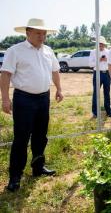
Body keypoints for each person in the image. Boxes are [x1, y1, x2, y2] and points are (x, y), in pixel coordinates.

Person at [0, 18, 63, 192]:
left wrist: (59, 89)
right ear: (27, 33)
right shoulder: (15, 51)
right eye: (38, 33)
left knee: (41, 135)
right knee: (21, 137)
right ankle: (15, 176)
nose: (42, 36)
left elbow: (55, 71)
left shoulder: (48, 51)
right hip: (24, 99)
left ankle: (38, 167)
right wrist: (5, 98)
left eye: (44, 33)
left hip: (44, 98)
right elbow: (5, 75)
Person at [89, 36, 111, 119]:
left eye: (102, 44)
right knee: (96, 93)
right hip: (97, 73)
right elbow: (90, 64)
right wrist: (99, 60)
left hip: (106, 74)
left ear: (104, 44)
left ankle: (108, 111)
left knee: (107, 93)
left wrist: (106, 60)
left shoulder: (108, 52)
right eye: (99, 44)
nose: (101, 45)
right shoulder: (93, 52)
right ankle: (95, 112)